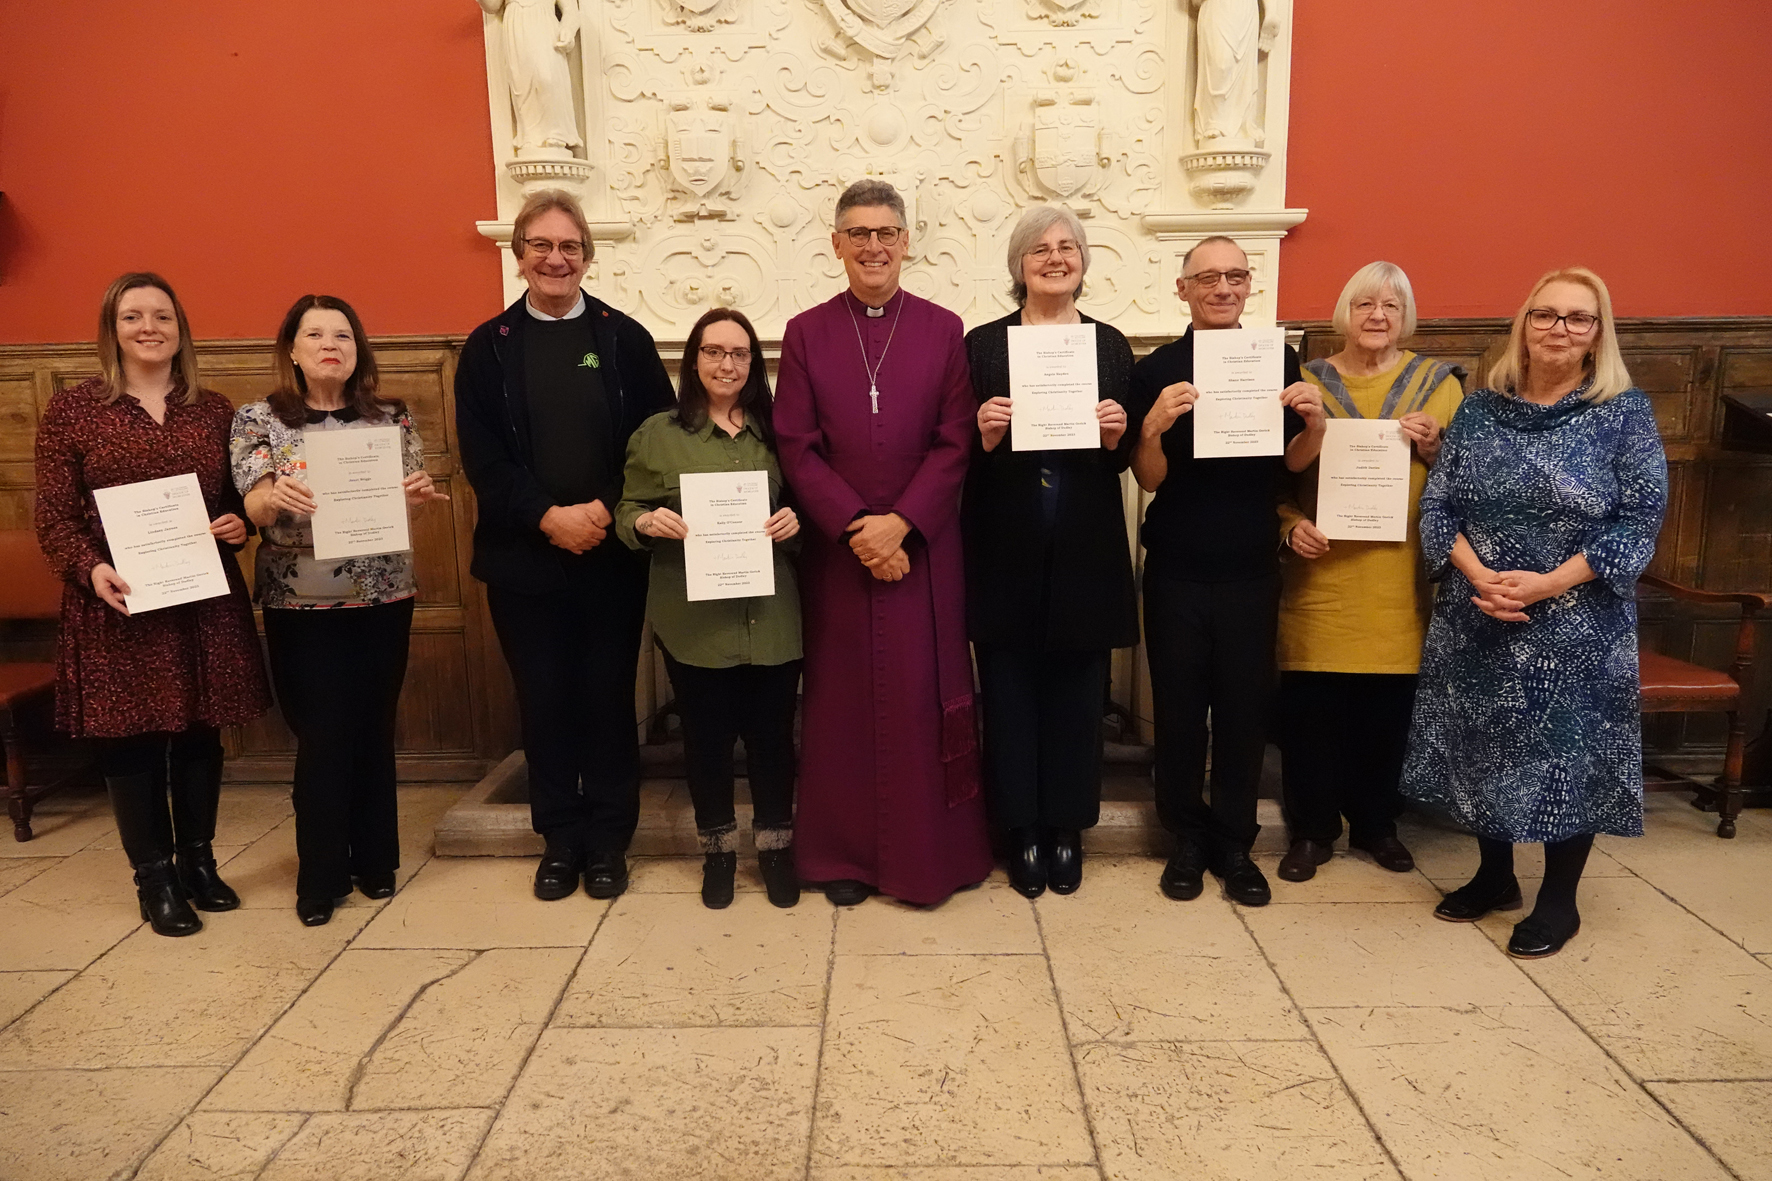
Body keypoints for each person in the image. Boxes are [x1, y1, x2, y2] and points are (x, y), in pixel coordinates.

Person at [1404, 266, 1666, 959]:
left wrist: (1547, 583)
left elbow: (1639, 521)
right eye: (1545, 315)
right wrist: (1480, 576)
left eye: (1577, 318)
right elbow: (1439, 504)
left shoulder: (1623, 413)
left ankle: (1558, 901)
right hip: (1480, 607)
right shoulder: (1482, 408)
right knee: (1483, 746)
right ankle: (1495, 877)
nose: (1559, 328)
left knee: (1564, 759)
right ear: (1523, 325)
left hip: (1577, 621)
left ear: (1597, 335)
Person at [773, 178, 992, 906]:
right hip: (841, 554)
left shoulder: (942, 327)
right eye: (859, 233)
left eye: (887, 233)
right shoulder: (806, 332)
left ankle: (932, 857)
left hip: (924, 550)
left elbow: (955, 439)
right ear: (835, 244)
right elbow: (797, 446)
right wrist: (857, 527)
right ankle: (842, 855)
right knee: (840, 704)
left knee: (924, 701)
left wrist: (902, 523)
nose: (874, 246)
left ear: (906, 242)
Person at [33, 273, 271, 936]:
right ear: (111, 328)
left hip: (199, 595)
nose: (148, 327)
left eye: (161, 315)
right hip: (120, 600)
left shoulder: (215, 409)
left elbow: (235, 500)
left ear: (179, 328)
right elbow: (52, 516)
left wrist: (237, 525)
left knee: (201, 728)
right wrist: (91, 569)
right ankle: (155, 878)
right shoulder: (74, 410)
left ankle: (198, 860)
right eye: (132, 315)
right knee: (132, 736)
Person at [456, 189, 676, 902]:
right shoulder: (487, 349)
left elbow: (654, 444)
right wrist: (547, 515)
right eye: (541, 246)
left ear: (588, 255)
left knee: (608, 698)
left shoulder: (624, 339)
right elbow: (484, 459)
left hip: (610, 556)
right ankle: (560, 839)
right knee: (544, 699)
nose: (557, 258)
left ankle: (609, 838)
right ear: (518, 255)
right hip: (524, 559)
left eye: (570, 246)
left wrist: (606, 511)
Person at [232, 295, 449, 926]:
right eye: (316, 334)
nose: (332, 345)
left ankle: (376, 860)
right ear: (293, 350)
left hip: (384, 594)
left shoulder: (391, 418)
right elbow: (251, 508)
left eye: (345, 336)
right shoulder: (259, 420)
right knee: (322, 734)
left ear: (359, 351)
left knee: (374, 725)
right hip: (303, 601)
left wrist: (417, 498)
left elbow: (407, 505)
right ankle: (320, 875)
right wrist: (274, 496)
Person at [1125, 236, 1322, 907]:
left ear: (1248, 286)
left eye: (1235, 276)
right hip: (1177, 567)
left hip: (1250, 569)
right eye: (1206, 277)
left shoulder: (1277, 358)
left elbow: (1288, 467)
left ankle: (1235, 841)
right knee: (1179, 713)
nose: (1222, 287)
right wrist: (1150, 429)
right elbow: (1148, 481)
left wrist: (1316, 428)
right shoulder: (1155, 368)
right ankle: (1185, 835)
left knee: (1243, 712)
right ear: (1182, 289)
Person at [965, 205, 1137, 899]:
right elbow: (954, 451)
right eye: (1040, 248)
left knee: (1076, 697)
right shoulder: (981, 345)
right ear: (1018, 265)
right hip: (1004, 546)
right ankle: (1021, 830)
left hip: (1084, 547)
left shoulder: (1111, 346)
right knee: (1007, 694)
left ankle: (1067, 828)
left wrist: (1116, 433)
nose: (1055, 257)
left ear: (1084, 262)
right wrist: (979, 431)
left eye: (1068, 247)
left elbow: (1123, 462)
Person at [1273, 263, 1463, 883]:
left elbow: (1471, 488)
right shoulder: (1304, 382)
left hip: (1396, 580)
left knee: (1386, 715)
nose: (1377, 315)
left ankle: (1378, 825)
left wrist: (1435, 451)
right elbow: (1272, 480)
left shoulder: (1440, 390)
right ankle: (1312, 830)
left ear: (1405, 315)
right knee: (1312, 714)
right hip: (1321, 579)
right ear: (1343, 312)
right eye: (1364, 304)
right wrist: (1286, 524)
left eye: (1390, 304)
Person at [618, 309, 803, 909]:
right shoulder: (657, 434)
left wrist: (797, 521)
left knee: (775, 738)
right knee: (706, 741)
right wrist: (646, 521)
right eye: (714, 351)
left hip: (772, 615)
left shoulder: (783, 432)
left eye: (740, 353)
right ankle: (718, 854)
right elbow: (626, 510)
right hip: (693, 621)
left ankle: (775, 850)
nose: (727, 364)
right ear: (692, 359)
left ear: (755, 363)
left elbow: (812, 506)